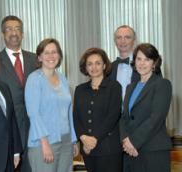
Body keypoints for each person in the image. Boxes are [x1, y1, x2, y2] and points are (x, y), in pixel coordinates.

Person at [24, 38, 79, 172]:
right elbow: (34, 114)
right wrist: (44, 143)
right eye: (46, 52)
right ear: (39, 57)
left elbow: (68, 111)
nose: (51, 56)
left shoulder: (62, 78)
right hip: (44, 141)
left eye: (54, 52)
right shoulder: (34, 79)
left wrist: (73, 140)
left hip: (66, 141)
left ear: (59, 56)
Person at [119, 43, 172, 172]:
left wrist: (133, 142)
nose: (142, 63)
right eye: (139, 59)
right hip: (130, 151)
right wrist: (125, 140)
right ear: (134, 61)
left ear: (154, 63)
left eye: (147, 59)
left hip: (153, 150)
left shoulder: (162, 84)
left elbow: (156, 118)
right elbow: (124, 117)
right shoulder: (130, 87)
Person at [0, 15, 37, 172]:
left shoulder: (35, 59)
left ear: (23, 34)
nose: (14, 33)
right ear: (2, 34)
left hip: (35, 128)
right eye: (9, 29)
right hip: (8, 128)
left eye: (17, 29)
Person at [73, 47, 122, 172]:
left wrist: (93, 139)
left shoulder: (114, 87)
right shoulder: (80, 89)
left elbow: (113, 116)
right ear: (85, 67)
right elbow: (76, 117)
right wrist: (83, 137)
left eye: (98, 63)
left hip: (109, 148)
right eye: (90, 64)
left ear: (104, 65)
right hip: (88, 150)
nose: (93, 67)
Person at [109, 25, 140, 99]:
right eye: (119, 38)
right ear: (115, 41)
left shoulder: (147, 65)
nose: (123, 41)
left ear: (134, 41)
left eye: (127, 37)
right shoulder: (108, 68)